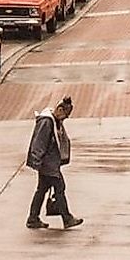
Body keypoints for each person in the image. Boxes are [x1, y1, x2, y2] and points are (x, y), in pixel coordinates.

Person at [26, 94, 81, 229]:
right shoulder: (47, 122)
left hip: (49, 163)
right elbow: (40, 142)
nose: (66, 118)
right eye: (65, 114)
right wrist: (36, 160)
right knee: (59, 187)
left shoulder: (54, 121)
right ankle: (67, 218)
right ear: (60, 109)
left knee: (42, 189)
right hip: (48, 164)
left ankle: (33, 218)